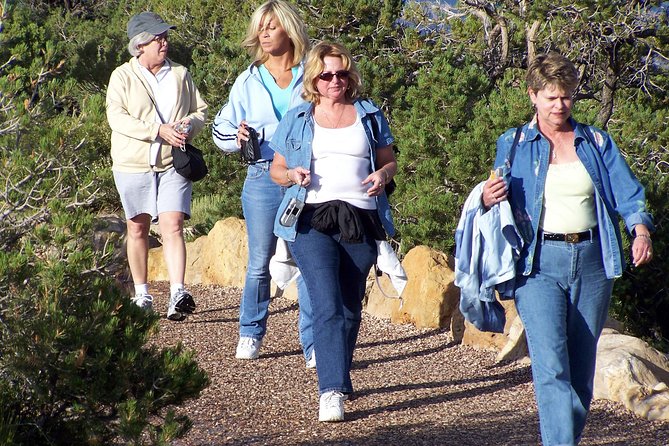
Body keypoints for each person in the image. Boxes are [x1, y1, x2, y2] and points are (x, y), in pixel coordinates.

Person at [483, 52, 654, 445]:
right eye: (551, 97)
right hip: (537, 263)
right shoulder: (513, 144)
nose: (559, 106)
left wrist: (640, 230)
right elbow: (495, 197)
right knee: (551, 366)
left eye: (566, 97)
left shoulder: (595, 142)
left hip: (593, 262)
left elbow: (628, 196)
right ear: (533, 96)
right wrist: (488, 198)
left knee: (579, 369)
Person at [269, 41, 397, 422]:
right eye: (326, 75)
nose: (335, 81)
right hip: (310, 217)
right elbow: (276, 169)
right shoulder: (298, 117)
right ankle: (331, 390)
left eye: (341, 73)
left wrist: (381, 175)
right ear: (314, 79)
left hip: (360, 217)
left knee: (349, 306)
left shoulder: (369, 114)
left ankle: (338, 372)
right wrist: (291, 174)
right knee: (325, 301)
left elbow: (389, 162)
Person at [211, 0, 315, 364]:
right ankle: (250, 332)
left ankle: (314, 345)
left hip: (304, 177)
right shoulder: (248, 79)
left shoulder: (311, 73)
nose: (264, 33)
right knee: (259, 261)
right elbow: (219, 129)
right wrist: (236, 137)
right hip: (260, 174)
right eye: (261, 27)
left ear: (289, 29)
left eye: (272, 26)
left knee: (308, 260)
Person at [106, 11, 208, 321]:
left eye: (165, 36)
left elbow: (200, 110)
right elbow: (117, 118)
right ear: (140, 45)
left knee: (173, 225)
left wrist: (189, 125)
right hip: (132, 164)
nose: (164, 42)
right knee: (137, 229)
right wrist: (157, 130)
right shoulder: (121, 76)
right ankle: (142, 294)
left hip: (173, 163)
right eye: (157, 37)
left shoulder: (180, 74)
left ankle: (178, 292)